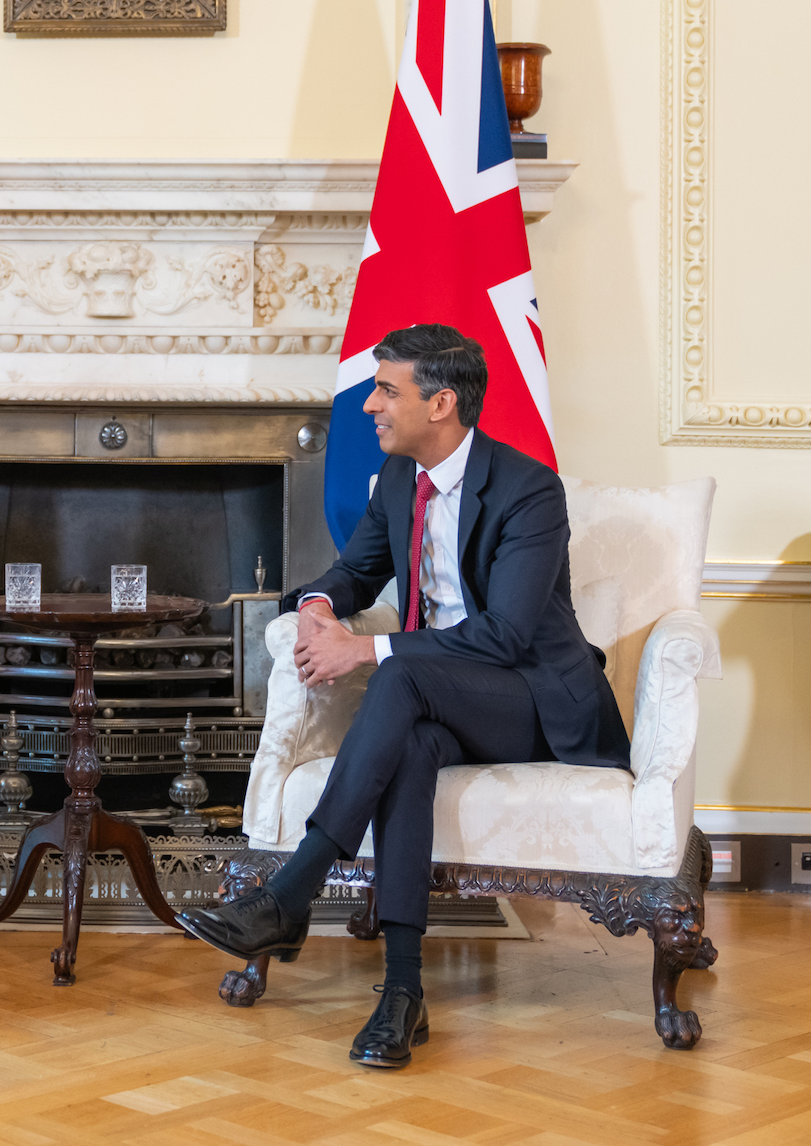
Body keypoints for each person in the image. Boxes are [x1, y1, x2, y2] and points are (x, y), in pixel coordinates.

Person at [177, 324, 629, 1068]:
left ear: (441, 403)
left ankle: (293, 889)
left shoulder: (528, 490)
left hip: (535, 700)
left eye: (387, 390)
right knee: (411, 744)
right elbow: (354, 573)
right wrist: (318, 607)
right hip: (438, 697)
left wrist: (364, 647)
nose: (369, 405)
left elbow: (507, 635)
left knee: (397, 672)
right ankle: (401, 991)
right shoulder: (397, 479)